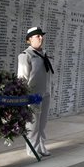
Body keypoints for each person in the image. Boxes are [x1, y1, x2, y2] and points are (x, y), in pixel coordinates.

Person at [17, 26, 54, 157]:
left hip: (45, 93)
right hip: (32, 95)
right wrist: (25, 97)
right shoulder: (26, 55)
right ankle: (32, 149)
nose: (41, 38)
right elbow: (22, 78)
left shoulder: (44, 54)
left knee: (42, 123)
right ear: (29, 40)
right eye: (37, 36)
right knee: (33, 124)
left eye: (41, 35)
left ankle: (41, 146)